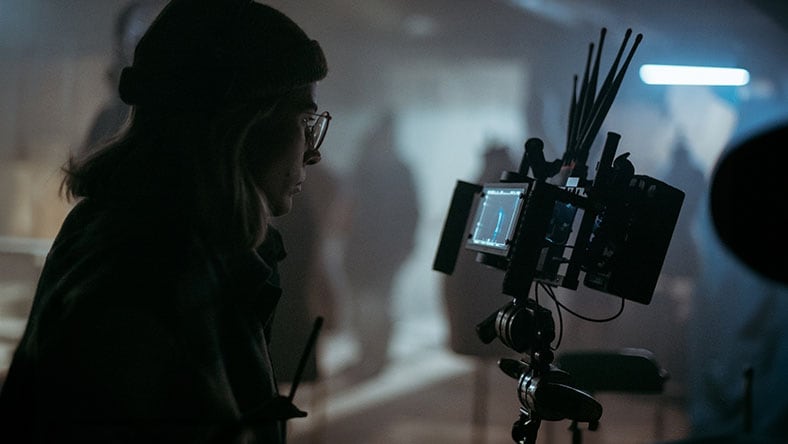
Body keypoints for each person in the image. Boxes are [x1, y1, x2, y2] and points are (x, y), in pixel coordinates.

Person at [0, 1, 331, 443]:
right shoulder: (154, 275)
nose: (313, 151)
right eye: (305, 120)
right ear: (243, 121)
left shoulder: (142, 237)